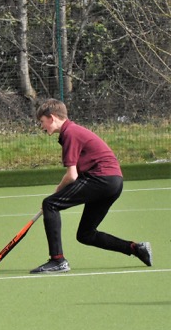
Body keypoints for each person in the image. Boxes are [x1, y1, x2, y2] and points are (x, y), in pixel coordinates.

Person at [30, 98, 152, 274]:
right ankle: (136, 248)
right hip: (114, 182)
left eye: (42, 122)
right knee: (85, 234)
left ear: (52, 117)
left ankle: (57, 261)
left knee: (50, 204)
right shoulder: (72, 131)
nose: (42, 127)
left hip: (101, 179)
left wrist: (55, 195)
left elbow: (72, 175)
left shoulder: (70, 133)